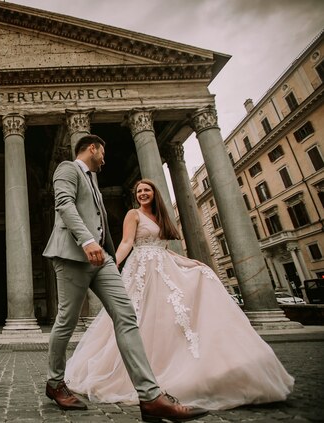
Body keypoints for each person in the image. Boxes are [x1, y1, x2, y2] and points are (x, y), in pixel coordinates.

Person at [66, 178, 294, 410]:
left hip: (163, 268)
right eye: (139, 191)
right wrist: (111, 266)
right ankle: (140, 374)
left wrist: (191, 262)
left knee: (173, 316)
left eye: (147, 190)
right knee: (141, 317)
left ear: (155, 194)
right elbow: (126, 242)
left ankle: (170, 365)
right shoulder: (133, 214)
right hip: (142, 271)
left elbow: (164, 251)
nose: (143, 194)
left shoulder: (161, 217)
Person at [43, 135, 209, 422]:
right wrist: (86, 241)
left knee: (126, 317)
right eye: (103, 151)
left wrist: (108, 254)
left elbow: (99, 220)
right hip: (74, 253)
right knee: (66, 320)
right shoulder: (68, 169)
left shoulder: (93, 179)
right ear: (93, 148)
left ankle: (150, 397)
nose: (105, 158)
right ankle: (55, 382)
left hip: (102, 258)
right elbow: (64, 205)